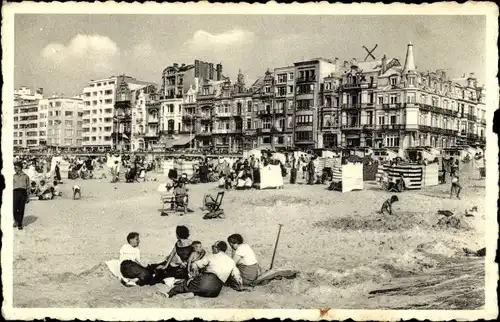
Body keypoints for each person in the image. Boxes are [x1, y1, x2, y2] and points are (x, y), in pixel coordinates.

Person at [164, 241, 242, 298]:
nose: (212, 249)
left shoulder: (211, 256)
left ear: (217, 249)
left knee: (186, 284)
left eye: (213, 247)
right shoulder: (231, 261)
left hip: (207, 280)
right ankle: (190, 295)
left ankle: (169, 294)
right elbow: (237, 276)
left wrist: (193, 273)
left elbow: (196, 264)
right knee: (200, 289)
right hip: (215, 291)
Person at [13, 162, 31, 230]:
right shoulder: (13, 176)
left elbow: (28, 187)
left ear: (20, 168)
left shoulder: (26, 176)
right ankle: (16, 220)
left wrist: (28, 197)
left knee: (21, 209)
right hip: (15, 192)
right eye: (14, 167)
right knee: (14, 209)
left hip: (23, 193)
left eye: (15, 167)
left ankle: (19, 223)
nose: (14, 169)